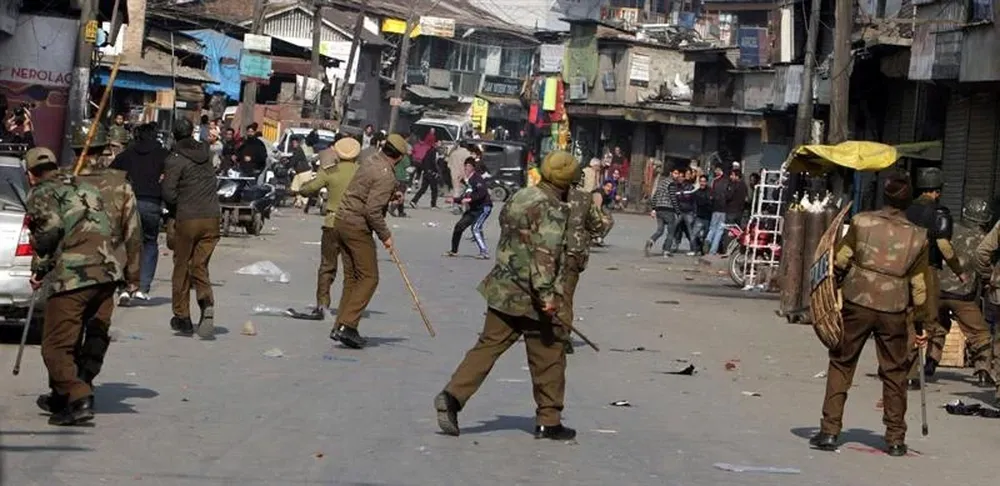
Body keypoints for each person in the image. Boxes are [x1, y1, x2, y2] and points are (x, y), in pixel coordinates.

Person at [433, 150, 576, 441]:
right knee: (549, 356)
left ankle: (451, 396)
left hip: (503, 286)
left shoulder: (521, 196)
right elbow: (545, 255)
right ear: (567, 182)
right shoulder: (553, 207)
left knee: (487, 347)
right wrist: (548, 296)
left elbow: (507, 229)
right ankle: (549, 419)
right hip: (532, 296)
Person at [810, 173, 929, 457]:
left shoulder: (861, 222)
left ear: (884, 197)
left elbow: (839, 260)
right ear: (908, 202)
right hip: (894, 308)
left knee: (842, 363)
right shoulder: (919, 236)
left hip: (857, 301)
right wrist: (921, 323)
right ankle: (896, 439)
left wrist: (832, 288)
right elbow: (919, 285)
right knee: (895, 372)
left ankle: (829, 431)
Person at [24, 147, 121, 425]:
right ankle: (61, 394)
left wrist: (40, 265)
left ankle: (78, 397)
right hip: (107, 271)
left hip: (75, 275)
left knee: (55, 345)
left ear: (31, 175)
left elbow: (51, 229)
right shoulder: (83, 186)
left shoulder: (41, 192)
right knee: (83, 335)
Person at [329, 134, 410, 349]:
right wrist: (386, 236)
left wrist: (391, 196)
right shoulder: (386, 174)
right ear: (400, 157)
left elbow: (366, 192)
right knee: (369, 277)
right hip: (357, 226)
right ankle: (348, 325)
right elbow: (372, 211)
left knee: (353, 278)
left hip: (341, 220)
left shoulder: (370, 160)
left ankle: (340, 326)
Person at [70, 121, 141, 309]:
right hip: (105, 273)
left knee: (64, 334)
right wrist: (132, 277)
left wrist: (39, 268)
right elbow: (133, 235)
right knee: (97, 331)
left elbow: (44, 230)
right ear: (105, 148)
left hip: (65, 276)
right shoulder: (120, 186)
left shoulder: (59, 182)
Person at [161, 117, 221, 340]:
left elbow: (168, 193)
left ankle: (182, 316)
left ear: (174, 135)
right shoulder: (205, 152)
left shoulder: (175, 159)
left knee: (182, 266)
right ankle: (206, 302)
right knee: (200, 264)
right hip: (212, 217)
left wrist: (175, 207)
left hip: (187, 218)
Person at [904, 167, 965, 387]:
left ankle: (902, 368)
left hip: (901, 270)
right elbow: (944, 246)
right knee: (929, 319)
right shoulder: (940, 213)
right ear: (937, 191)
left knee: (906, 318)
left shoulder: (904, 209)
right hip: (926, 270)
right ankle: (921, 367)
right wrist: (959, 271)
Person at [298, 137, 361, 320]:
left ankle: (322, 304)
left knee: (327, 267)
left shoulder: (329, 171)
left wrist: (301, 187)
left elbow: (309, 189)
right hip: (354, 224)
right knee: (352, 270)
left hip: (332, 224)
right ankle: (348, 307)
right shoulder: (361, 173)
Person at [936, 197, 996, 386]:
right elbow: (983, 264)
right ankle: (983, 372)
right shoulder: (985, 239)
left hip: (936, 291)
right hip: (963, 295)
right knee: (980, 333)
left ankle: (928, 363)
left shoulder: (950, 230)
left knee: (935, 327)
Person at [111, 122, 169, 301]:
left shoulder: (126, 155)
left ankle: (124, 286)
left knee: (127, 243)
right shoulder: (163, 155)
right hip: (152, 203)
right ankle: (142, 287)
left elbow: (112, 173)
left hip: (129, 203)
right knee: (150, 243)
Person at [560, 162, 611, 355]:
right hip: (573, 252)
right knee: (565, 297)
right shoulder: (583, 198)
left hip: (546, 252)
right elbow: (598, 225)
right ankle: (563, 335)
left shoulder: (546, 196)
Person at [445, 158, 492, 259]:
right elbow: (464, 197)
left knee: (475, 228)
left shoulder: (477, 179)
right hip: (473, 209)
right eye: (465, 167)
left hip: (483, 207)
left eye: (468, 167)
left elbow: (482, 193)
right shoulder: (469, 181)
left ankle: (484, 252)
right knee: (459, 226)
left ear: (472, 168)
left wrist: (470, 199)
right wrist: (454, 200)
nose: (466, 169)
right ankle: (454, 251)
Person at [645, 167, 680, 257]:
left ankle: (651, 240)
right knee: (671, 231)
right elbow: (673, 198)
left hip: (659, 209)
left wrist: (654, 208)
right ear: (671, 173)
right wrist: (677, 211)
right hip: (668, 209)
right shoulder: (672, 184)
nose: (677, 175)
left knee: (660, 230)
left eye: (678, 174)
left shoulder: (661, 183)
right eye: (675, 173)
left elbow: (655, 196)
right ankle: (666, 250)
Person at [704, 164, 730, 255]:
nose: (715, 171)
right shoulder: (728, 181)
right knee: (720, 230)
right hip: (724, 209)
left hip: (715, 208)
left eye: (716, 170)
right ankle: (712, 250)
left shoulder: (714, 181)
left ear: (719, 170)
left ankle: (708, 239)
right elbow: (728, 195)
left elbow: (710, 195)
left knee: (712, 227)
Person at [287, 137, 313, 208]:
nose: (293, 144)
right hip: (299, 172)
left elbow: (294, 160)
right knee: (296, 187)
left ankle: (304, 203)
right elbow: (293, 159)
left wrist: (288, 165)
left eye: (295, 143)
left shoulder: (298, 150)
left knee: (303, 188)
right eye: (293, 143)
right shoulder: (296, 150)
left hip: (304, 172)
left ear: (298, 143)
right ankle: (298, 201)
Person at [446, 142, 473, 209]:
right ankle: (462, 205)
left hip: (454, 173)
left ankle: (456, 205)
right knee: (467, 189)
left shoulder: (454, 153)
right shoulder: (468, 154)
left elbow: (449, 165)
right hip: (464, 174)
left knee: (456, 190)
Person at [692, 175, 713, 255]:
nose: (702, 183)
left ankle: (702, 250)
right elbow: (694, 204)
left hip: (708, 217)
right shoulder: (696, 192)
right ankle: (696, 249)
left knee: (705, 236)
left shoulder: (710, 191)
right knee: (694, 235)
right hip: (699, 216)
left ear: (706, 182)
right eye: (701, 181)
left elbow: (711, 203)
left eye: (704, 181)